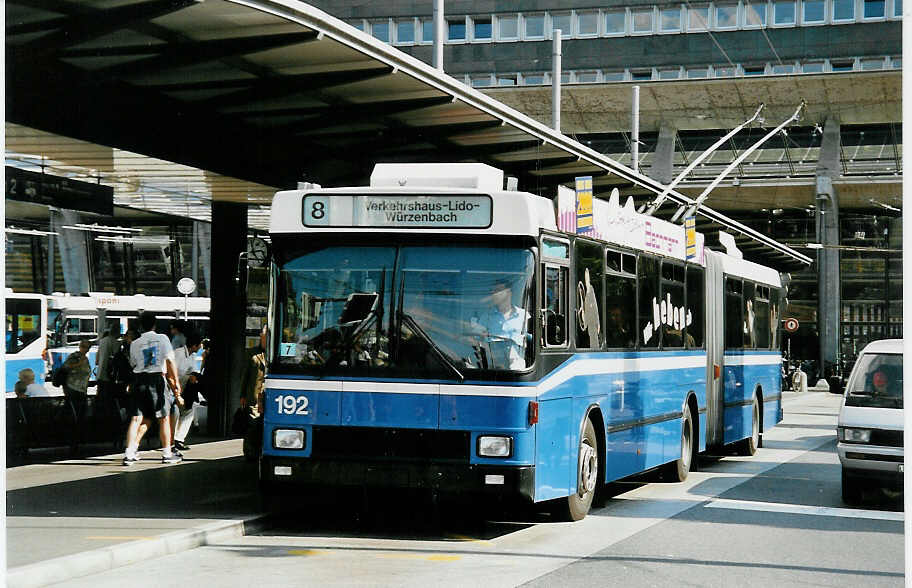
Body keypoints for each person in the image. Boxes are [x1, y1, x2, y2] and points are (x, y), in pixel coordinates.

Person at [122, 311, 183, 465]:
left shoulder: (134, 343)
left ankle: (129, 453)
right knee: (163, 418)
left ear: (140, 326)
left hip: (139, 380)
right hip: (156, 379)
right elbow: (170, 361)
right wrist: (176, 382)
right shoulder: (162, 338)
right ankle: (167, 454)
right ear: (154, 324)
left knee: (136, 418)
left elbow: (133, 364)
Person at [470, 279, 529, 370]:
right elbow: (477, 340)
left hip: (517, 371)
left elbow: (532, 341)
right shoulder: (486, 317)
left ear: (509, 292)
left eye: (497, 290)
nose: (494, 294)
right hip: (493, 366)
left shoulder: (524, 315)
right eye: (492, 291)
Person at [171, 332, 203, 452]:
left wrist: (193, 377)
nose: (201, 347)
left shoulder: (192, 356)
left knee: (190, 411)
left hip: (183, 387)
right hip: (171, 387)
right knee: (176, 413)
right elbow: (171, 373)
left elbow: (194, 370)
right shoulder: (177, 354)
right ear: (194, 345)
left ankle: (179, 439)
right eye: (199, 344)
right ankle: (172, 440)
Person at [240, 326, 267, 460]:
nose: (265, 338)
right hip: (254, 396)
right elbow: (244, 376)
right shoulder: (251, 353)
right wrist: (242, 395)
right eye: (263, 336)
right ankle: (250, 452)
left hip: (269, 395)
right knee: (252, 423)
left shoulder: (277, 354)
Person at [62, 338, 92, 454]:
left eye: (86, 347)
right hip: (73, 389)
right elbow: (66, 367)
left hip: (81, 390)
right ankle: (73, 441)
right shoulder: (75, 356)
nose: (84, 349)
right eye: (83, 346)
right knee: (74, 415)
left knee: (79, 415)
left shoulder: (86, 359)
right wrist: (78, 364)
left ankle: (77, 440)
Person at [95, 323, 120, 444]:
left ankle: (99, 425)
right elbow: (116, 359)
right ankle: (108, 428)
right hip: (108, 377)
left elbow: (97, 359)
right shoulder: (115, 342)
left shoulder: (103, 341)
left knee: (100, 399)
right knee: (109, 403)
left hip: (100, 374)